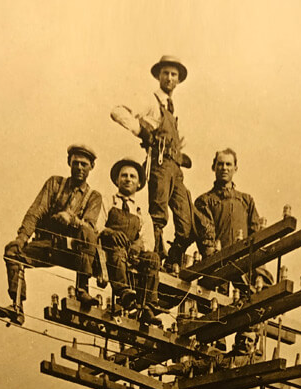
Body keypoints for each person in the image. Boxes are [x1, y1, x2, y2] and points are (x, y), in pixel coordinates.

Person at [0, 144, 102, 325]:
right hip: (49, 245)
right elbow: (36, 211)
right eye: (76, 163)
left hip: (74, 253)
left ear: (91, 167)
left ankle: (82, 289)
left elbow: (89, 226)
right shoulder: (55, 184)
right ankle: (17, 307)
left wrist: (71, 219)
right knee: (12, 252)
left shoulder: (94, 197)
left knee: (87, 232)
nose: (79, 168)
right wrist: (21, 239)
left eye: (84, 164)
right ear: (69, 163)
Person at [110, 55, 195, 271]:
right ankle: (155, 259)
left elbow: (178, 140)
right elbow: (117, 111)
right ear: (159, 76)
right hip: (160, 164)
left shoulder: (174, 110)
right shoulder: (150, 101)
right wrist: (142, 132)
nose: (169, 78)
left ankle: (172, 256)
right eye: (165, 73)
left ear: (178, 80)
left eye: (173, 74)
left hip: (175, 168)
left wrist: (181, 156)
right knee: (159, 215)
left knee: (186, 223)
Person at [99, 158, 162, 327]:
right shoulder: (107, 201)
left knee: (153, 258)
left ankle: (148, 306)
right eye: (124, 175)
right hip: (111, 249)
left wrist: (139, 245)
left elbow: (148, 240)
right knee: (118, 252)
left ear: (139, 182)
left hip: (133, 253)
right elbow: (97, 226)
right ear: (117, 180)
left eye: (132, 176)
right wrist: (109, 232)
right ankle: (124, 293)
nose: (128, 179)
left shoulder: (141, 211)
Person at [195, 148, 262, 258]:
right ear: (214, 167)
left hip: (244, 265)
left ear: (235, 168)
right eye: (220, 164)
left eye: (228, 164)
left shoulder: (247, 201)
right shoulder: (204, 201)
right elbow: (206, 241)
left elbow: (256, 235)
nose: (224, 168)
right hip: (217, 265)